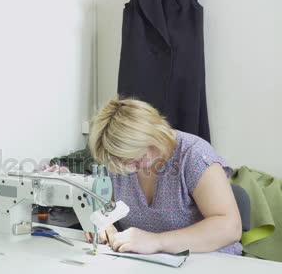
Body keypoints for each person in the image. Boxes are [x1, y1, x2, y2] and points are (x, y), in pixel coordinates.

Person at [85, 98, 242, 255]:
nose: (128, 166)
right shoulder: (121, 164)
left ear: (151, 135)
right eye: (119, 161)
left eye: (133, 157)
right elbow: (105, 206)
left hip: (212, 261)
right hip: (153, 264)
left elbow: (230, 228)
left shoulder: (194, 155)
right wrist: (103, 224)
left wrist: (157, 241)